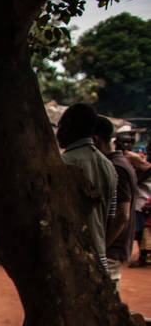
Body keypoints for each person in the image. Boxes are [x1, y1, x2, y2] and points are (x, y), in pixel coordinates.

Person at [56, 103, 116, 272]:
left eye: (59, 127)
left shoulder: (63, 163)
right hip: (99, 257)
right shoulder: (109, 166)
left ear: (67, 127)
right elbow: (112, 216)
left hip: (70, 259)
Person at [94, 118, 136, 292]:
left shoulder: (116, 167)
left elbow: (122, 215)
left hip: (111, 247)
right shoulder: (118, 164)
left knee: (107, 297)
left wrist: (101, 247)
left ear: (95, 140)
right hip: (112, 245)